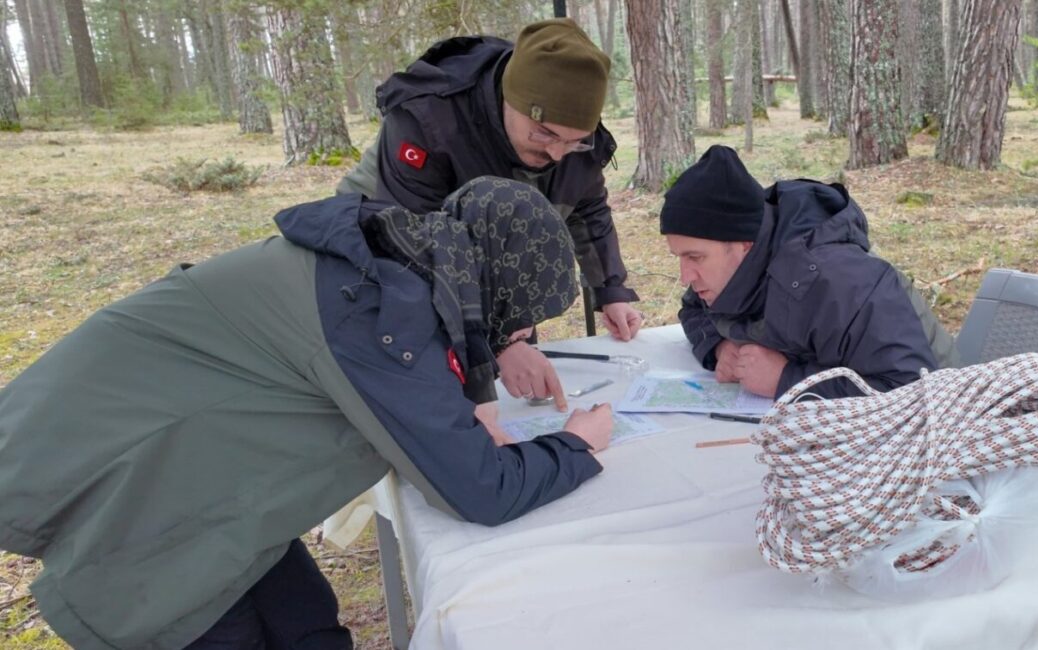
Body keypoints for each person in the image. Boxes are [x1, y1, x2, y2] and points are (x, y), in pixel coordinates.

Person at [0, 178, 613, 650]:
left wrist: (461, 406)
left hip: (202, 469)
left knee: (306, 624)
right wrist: (574, 445)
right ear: (496, 280)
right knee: (218, 627)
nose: (526, 329)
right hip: (152, 493)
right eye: (525, 310)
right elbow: (481, 490)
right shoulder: (378, 314)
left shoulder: (401, 261)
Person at [337, 18, 644, 408]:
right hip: (386, 226)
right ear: (509, 101)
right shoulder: (429, 120)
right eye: (545, 134)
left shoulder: (571, 135)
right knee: (423, 356)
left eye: (574, 142)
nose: (556, 154)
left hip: (484, 225)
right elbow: (416, 250)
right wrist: (498, 344)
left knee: (507, 369)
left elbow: (586, 207)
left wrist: (610, 289)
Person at [662, 145, 959, 399]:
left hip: (941, 425)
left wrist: (789, 381)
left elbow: (913, 389)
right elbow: (693, 309)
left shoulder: (842, 283)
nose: (686, 275)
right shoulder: (723, 276)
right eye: (679, 257)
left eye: (694, 257)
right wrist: (718, 346)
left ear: (743, 245)